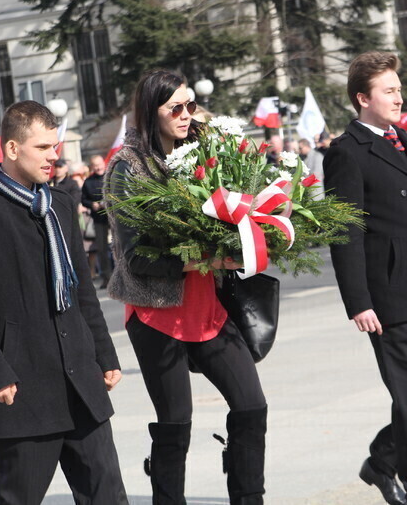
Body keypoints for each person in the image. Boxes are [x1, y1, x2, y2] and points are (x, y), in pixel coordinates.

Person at [0, 100, 127, 505]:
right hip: (22, 388)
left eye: (54, 145)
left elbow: (82, 292)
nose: (54, 155)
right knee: (17, 499)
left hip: (81, 382)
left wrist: (105, 354)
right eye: (43, 147)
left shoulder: (60, 203)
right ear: (12, 149)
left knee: (108, 496)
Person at [105, 69, 268, 505]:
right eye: (174, 107)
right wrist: (201, 258)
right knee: (177, 422)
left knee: (252, 406)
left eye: (189, 105)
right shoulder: (128, 168)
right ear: (150, 111)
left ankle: (249, 497)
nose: (185, 114)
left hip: (208, 310)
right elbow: (135, 254)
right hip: (156, 312)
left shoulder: (205, 154)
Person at [323, 52, 407, 505]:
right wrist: (358, 301)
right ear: (363, 98)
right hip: (387, 295)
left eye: (399, 89)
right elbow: (345, 232)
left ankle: (382, 457)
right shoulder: (345, 152)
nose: (399, 97)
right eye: (389, 91)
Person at [81, 154, 112, 288]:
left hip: (113, 215)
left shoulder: (112, 176)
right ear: (92, 167)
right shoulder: (88, 182)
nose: (98, 167)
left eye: (100, 164)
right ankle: (107, 278)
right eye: (95, 165)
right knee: (102, 248)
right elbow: (84, 199)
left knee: (121, 245)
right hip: (98, 218)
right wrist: (91, 204)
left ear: (104, 163)